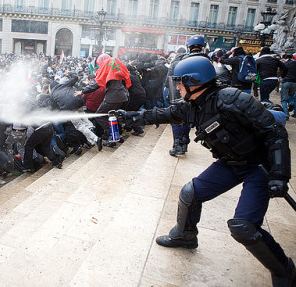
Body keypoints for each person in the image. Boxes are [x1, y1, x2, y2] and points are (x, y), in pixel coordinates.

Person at [120, 56, 295, 286]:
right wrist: (132, 117)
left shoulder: (234, 99)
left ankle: (284, 271)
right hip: (231, 163)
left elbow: (274, 133)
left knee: (243, 227)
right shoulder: (195, 106)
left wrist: (280, 175)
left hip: (258, 166)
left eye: (181, 83)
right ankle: (185, 236)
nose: (178, 88)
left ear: (195, 82)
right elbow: (164, 114)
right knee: (189, 193)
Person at [166, 35, 209, 156]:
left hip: (180, 96)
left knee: (177, 119)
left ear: (188, 47)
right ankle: (184, 143)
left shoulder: (179, 59)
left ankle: (178, 144)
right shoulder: (207, 61)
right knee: (188, 119)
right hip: (197, 99)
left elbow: (169, 78)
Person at [280, 54, 296, 118]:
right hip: (295, 82)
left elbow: (281, 72)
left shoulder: (284, 64)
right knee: (291, 95)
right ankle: (291, 103)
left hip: (286, 81)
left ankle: (286, 114)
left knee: (284, 99)